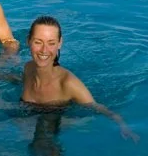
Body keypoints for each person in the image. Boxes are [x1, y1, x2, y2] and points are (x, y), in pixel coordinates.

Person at [20, 15, 138, 143]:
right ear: (28, 41)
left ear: (60, 44)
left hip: (58, 118)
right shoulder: (28, 68)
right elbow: (20, 80)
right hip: (31, 117)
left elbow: (98, 107)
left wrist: (123, 125)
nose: (44, 50)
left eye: (51, 43)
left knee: (43, 149)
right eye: (38, 42)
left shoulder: (68, 84)